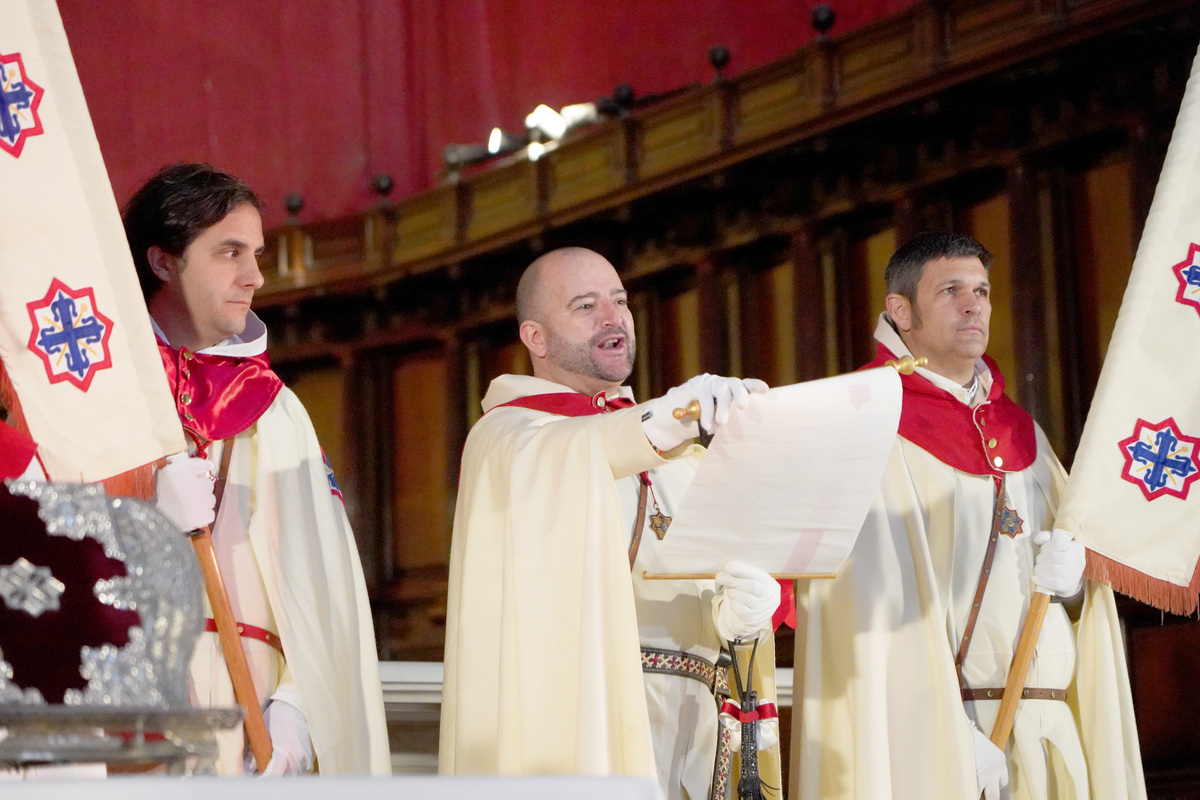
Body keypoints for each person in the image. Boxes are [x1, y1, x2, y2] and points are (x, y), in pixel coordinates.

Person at [793, 231, 1144, 800]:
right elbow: (864, 606)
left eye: (980, 290)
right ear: (900, 312)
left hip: (1051, 728)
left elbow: (1070, 599)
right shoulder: (867, 418)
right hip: (942, 737)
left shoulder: (1023, 430)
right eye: (951, 290)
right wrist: (943, 733)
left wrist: (1078, 583)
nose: (973, 304)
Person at [440, 247, 783, 800]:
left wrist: (743, 619)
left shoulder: (678, 458)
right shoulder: (507, 440)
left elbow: (714, 590)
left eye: (619, 300)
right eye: (585, 305)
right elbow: (576, 451)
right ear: (536, 337)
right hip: (583, 729)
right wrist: (679, 413)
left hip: (698, 738)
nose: (613, 316)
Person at [121, 163, 390, 776]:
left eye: (257, 253)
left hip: (252, 729)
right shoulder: (107, 402)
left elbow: (322, 588)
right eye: (230, 252)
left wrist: (298, 709)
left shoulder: (274, 411)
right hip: (130, 717)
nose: (255, 276)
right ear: (163, 261)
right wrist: (140, 509)